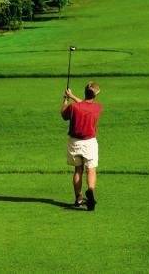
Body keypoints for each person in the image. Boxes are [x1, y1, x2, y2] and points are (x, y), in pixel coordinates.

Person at [61, 81, 103, 211]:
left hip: (75, 143)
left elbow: (63, 114)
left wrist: (66, 99)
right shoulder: (97, 108)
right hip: (90, 143)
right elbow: (85, 105)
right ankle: (90, 189)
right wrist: (73, 96)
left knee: (78, 170)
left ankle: (78, 198)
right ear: (95, 95)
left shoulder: (74, 107)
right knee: (91, 169)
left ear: (85, 92)